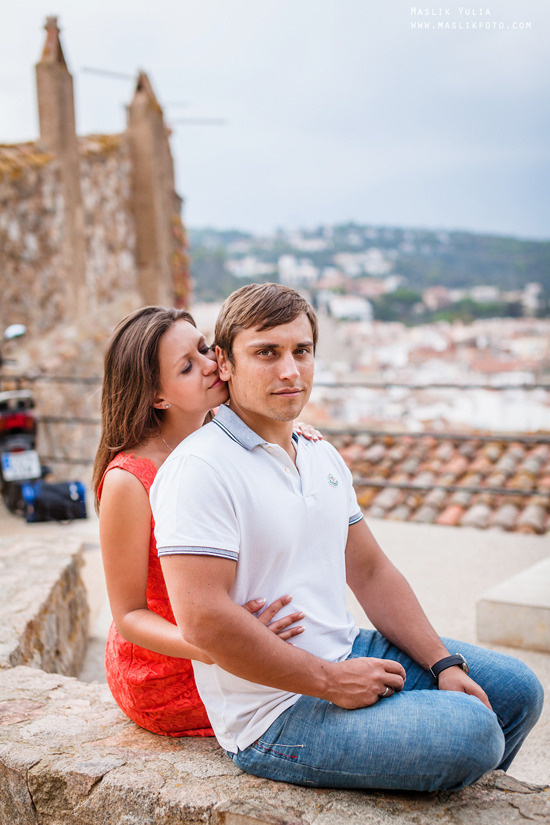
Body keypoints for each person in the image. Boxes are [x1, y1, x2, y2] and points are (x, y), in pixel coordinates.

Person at [150, 283, 544, 791]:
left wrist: (442, 663)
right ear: (224, 362)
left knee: (517, 691)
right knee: (472, 732)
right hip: (275, 710)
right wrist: (329, 681)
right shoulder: (200, 467)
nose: (290, 371)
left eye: (302, 351)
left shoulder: (319, 453)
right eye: (266, 353)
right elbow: (202, 618)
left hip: (347, 648)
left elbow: (371, 570)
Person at [92, 305, 318, 737]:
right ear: (158, 396)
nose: (211, 365)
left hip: (246, 638)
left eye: (203, 348)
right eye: (186, 367)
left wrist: (288, 431)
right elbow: (129, 614)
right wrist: (214, 648)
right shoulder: (130, 480)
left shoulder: (226, 433)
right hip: (176, 669)